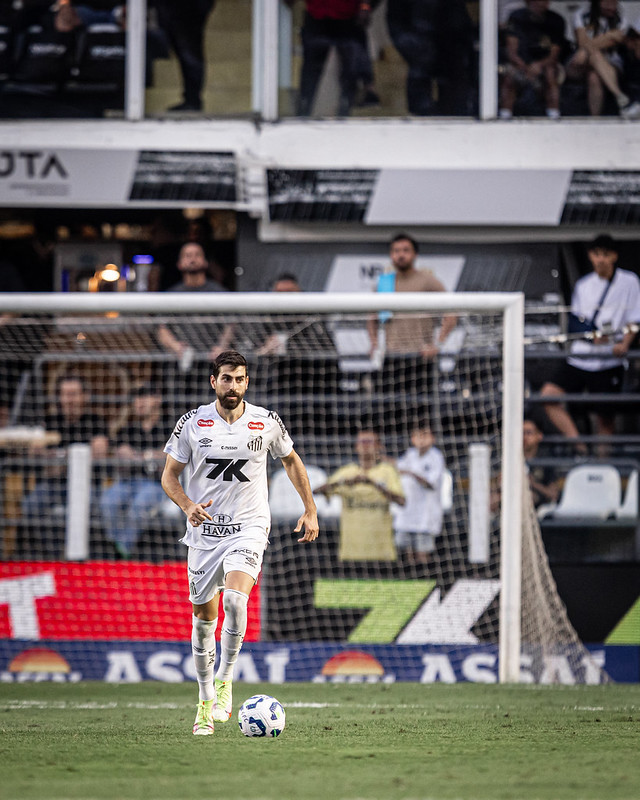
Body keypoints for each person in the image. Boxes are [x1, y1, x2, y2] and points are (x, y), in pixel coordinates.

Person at [161, 350, 318, 735]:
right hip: (204, 533)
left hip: (249, 526)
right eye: (227, 378)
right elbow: (169, 477)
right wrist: (187, 506)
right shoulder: (193, 423)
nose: (233, 386)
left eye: (240, 379)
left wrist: (310, 510)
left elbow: (292, 461)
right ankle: (204, 701)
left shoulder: (265, 422)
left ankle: (225, 678)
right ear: (213, 381)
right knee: (203, 621)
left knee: (235, 599)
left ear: (247, 382)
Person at [540, 234, 640, 453]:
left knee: (605, 418)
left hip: (608, 360)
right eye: (596, 254)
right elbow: (575, 321)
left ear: (614, 256)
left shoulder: (629, 281)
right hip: (581, 355)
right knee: (548, 395)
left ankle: (602, 466)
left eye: (605, 254)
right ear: (590, 256)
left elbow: (634, 318)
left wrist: (624, 343)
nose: (601, 259)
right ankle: (581, 448)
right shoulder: (584, 285)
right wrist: (590, 335)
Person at [366, 233, 457, 400]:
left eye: (406, 250)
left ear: (415, 254)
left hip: (421, 357)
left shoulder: (428, 281)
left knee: (421, 416)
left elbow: (451, 314)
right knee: (388, 414)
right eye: (396, 251)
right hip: (392, 357)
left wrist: (437, 344)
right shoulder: (384, 283)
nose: (401, 255)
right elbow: (372, 318)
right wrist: (374, 344)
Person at [99, 384, 171, 558]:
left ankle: (121, 550)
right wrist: (147, 456)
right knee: (108, 501)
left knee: (140, 504)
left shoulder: (169, 426)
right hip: (127, 482)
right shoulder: (128, 428)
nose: (139, 402)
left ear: (157, 399)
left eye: (144, 397)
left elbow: (167, 458)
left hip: (157, 484)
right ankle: (116, 544)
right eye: (137, 398)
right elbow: (119, 455)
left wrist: (138, 456)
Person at [21, 373, 109, 513]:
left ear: (84, 396)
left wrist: (58, 458)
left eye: (74, 394)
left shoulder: (95, 422)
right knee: (31, 504)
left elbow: (99, 451)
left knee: (92, 505)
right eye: (65, 394)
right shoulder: (50, 421)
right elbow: (35, 451)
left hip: (86, 485)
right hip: (52, 485)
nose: (69, 400)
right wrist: (75, 457)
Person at [314, 428, 404, 561]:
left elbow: (402, 501)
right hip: (351, 551)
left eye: (369, 442)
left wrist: (373, 484)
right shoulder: (347, 471)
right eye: (362, 442)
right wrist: (343, 482)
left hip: (382, 551)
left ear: (379, 446)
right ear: (356, 446)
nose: (365, 445)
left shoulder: (387, 471)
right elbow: (316, 491)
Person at [386, 0, 476, 116]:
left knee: (454, 105)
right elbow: (396, 23)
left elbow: (459, 23)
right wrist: (416, 51)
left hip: (451, 55)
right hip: (420, 55)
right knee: (421, 108)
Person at [291, 0, 377, 117]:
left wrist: (365, 6)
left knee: (350, 72)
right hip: (317, 16)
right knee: (310, 73)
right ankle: (303, 113)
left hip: (348, 18)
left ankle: (345, 113)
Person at [565, 0, 640, 119]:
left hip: (609, 64)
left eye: (614, 4)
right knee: (585, 55)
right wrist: (608, 36)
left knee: (594, 76)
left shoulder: (621, 21)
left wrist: (594, 44)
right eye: (608, 3)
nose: (612, 7)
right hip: (580, 64)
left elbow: (594, 45)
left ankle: (595, 119)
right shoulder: (581, 15)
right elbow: (582, 44)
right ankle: (621, 98)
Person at [499, 0, 567, 119]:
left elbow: (554, 53)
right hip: (520, 64)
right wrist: (524, 66)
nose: (540, 4)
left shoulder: (556, 20)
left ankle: (554, 115)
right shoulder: (517, 17)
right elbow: (511, 51)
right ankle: (505, 115)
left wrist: (539, 65)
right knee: (509, 75)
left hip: (546, 64)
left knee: (550, 74)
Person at [392, 421, 445, 564]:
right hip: (407, 514)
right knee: (407, 553)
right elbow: (397, 467)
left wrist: (411, 473)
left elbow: (430, 483)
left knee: (423, 553)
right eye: (417, 435)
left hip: (425, 516)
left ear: (433, 438)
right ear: (412, 438)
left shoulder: (436, 457)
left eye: (425, 435)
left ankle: (427, 581)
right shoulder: (410, 454)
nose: (421, 439)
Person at [155, 0, 216, 112]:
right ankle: (192, 100)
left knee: (189, 51)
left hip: (188, 8)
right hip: (176, 8)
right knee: (185, 49)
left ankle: (192, 101)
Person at [522, 415, 560, 508]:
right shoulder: (509, 457)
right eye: (522, 433)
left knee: (529, 497)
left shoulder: (546, 460)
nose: (525, 437)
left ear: (539, 436)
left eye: (529, 433)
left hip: (538, 508)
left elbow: (553, 495)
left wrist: (533, 484)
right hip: (511, 500)